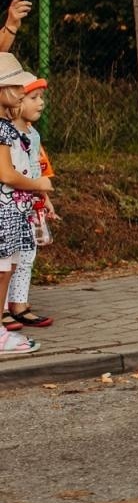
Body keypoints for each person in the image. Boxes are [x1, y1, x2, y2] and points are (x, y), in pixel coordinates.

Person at [0, 56, 51, 353]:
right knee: (3, 269)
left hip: (13, 210)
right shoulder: (4, 130)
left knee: (8, 267)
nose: (22, 91)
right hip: (6, 210)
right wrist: (39, 184)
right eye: (18, 87)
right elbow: (6, 174)